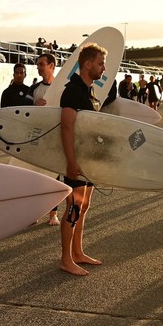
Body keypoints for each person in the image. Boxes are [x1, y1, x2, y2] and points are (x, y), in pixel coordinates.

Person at [58, 43, 106, 276]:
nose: (103, 68)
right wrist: (71, 161)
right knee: (74, 207)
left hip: (88, 161)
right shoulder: (73, 91)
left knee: (84, 205)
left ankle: (77, 252)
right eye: (100, 63)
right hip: (75, 160)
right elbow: (66, 128)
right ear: (87, 64)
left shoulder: (88, 91)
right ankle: (66, 259)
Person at [25, 53, 61, 226]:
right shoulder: (34, 89)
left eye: (41, 64)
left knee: (54, 177)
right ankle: (34, 212)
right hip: (37, 138)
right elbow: (23, 111)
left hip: (56, 140)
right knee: (35, 175)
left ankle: (53, 213)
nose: (38, 67)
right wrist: (34, 105)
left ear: (51, 66)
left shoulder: (63, 88)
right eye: (38, 64)